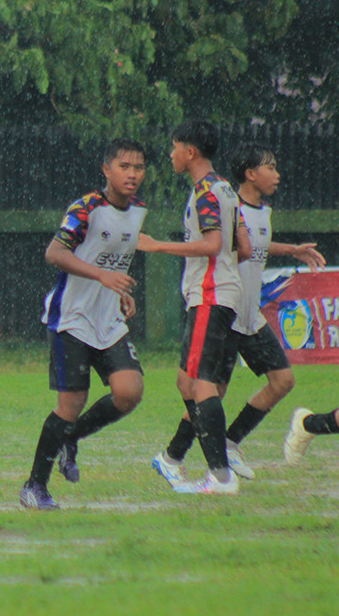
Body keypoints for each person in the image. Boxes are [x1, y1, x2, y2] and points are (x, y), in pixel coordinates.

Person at [150, 143, 324, 481]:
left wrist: (290, 250)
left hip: (250, 317)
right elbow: (231, 246)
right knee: (208, 391)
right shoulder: (228, 203)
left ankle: (228, 443)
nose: (276, 174)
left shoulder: (260, 210)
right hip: (226, 314)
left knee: (283, 380)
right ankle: (174, 455)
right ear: (250, 174)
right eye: (269, 168)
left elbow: (255, 245)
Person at [19, 138, 148, 510]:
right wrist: (101, 277)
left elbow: (117, 259)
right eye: (124, 166)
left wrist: (120, 289)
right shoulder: (86, 207)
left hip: (108, 319)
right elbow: (54, 254)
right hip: (71, 318)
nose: (132, 174)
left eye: (138, 168)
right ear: (107, 170)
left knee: (129, 392)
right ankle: (34, 487)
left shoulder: (138, 211)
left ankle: (71, 437)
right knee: (70, 404)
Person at [138, 120, 251, 495]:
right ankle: (174, 458)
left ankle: (221, 475)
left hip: (210, 294)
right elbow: (244, 249)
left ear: (190, 152)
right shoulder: (227, 191)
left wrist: (157, 246)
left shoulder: (206, 192)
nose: (170, 154)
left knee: (200, 385)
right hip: (224, 295)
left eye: (174, 147)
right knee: (188, 382)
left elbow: (212, 245)